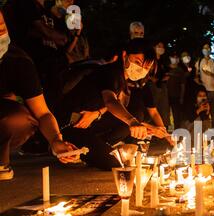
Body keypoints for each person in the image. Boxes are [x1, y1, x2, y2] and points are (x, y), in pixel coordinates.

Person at [55, 38, 161, 170]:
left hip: (90, 125)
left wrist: (148, 128)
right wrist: (133, 122)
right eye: (137, 62)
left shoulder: (124, 80)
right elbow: (110, 102)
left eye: (146, 67)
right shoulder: (111, 72)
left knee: (135, 115)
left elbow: (118, 110)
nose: (140, 69)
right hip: (71, 126)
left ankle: (104, 146)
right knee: (114, 164)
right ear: (124, 55)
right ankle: (89, 151)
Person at [0, 11, 77, 181]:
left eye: (2, 29)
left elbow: (42, 113)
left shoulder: (17, 61)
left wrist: (56, 141)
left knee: (17, 119)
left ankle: (1, 162)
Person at [51, 0, 89, 65]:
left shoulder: (71, 17)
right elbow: (67, 50)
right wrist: (78, 32)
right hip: (71, 64)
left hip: (81, 61)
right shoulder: (57, 18)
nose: (71, 1)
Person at [195, 43, 214, 128]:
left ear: (210, 50)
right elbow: (196, 76)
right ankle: (204, 131)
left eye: (208, 48)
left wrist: (209, 73)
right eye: (204, 48)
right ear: (202, 50)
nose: (206, 50)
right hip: (203, 92)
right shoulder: (199, 62)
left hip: (213, 90)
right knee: (203, 111)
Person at [150, 40, 171, 127]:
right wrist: (152, 79)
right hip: (152, 88)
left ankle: (163, 127)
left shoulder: (163, 61)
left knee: (163, 110)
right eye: (159, 46)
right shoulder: (151, 60)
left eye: (162, 46)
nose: (161, 48)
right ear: (154, 47)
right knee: (153, 108)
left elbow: (166, 73)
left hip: (162, 88)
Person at [167, 51, 185, 129]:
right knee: (165, 115)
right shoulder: (166, 69)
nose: (175, 59)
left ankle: (178, 133)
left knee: (177, 116)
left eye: (176, 57)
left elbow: (183, 85)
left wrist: (181, 97)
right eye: (173, 57)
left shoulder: (180, 71)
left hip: (176, 96)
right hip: (166, 96)